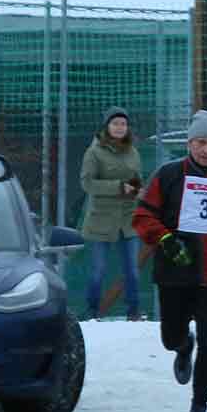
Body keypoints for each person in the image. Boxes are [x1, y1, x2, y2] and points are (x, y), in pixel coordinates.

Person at [133, 111, 207, 412]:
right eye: (200, 142)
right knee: (171, 336)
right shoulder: (168, 174)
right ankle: (183, 346)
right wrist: (165, 239)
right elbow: (143, 215)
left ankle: (200, 405)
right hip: (176, 270)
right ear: (189, 143)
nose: (206, 149)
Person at [78, 106, 143, 320]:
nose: (119, 127)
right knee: (98, 271)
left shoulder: (133, 151)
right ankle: (92, 311)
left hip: (128, 220)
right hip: (101, 221)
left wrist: (135, 189)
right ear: (107, 126)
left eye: (123, 124)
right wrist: (118, 187)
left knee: (132, 271)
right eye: (115, 123)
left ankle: (134, 311)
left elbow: (136, 179)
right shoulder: (94, 152)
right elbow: (87, 184)